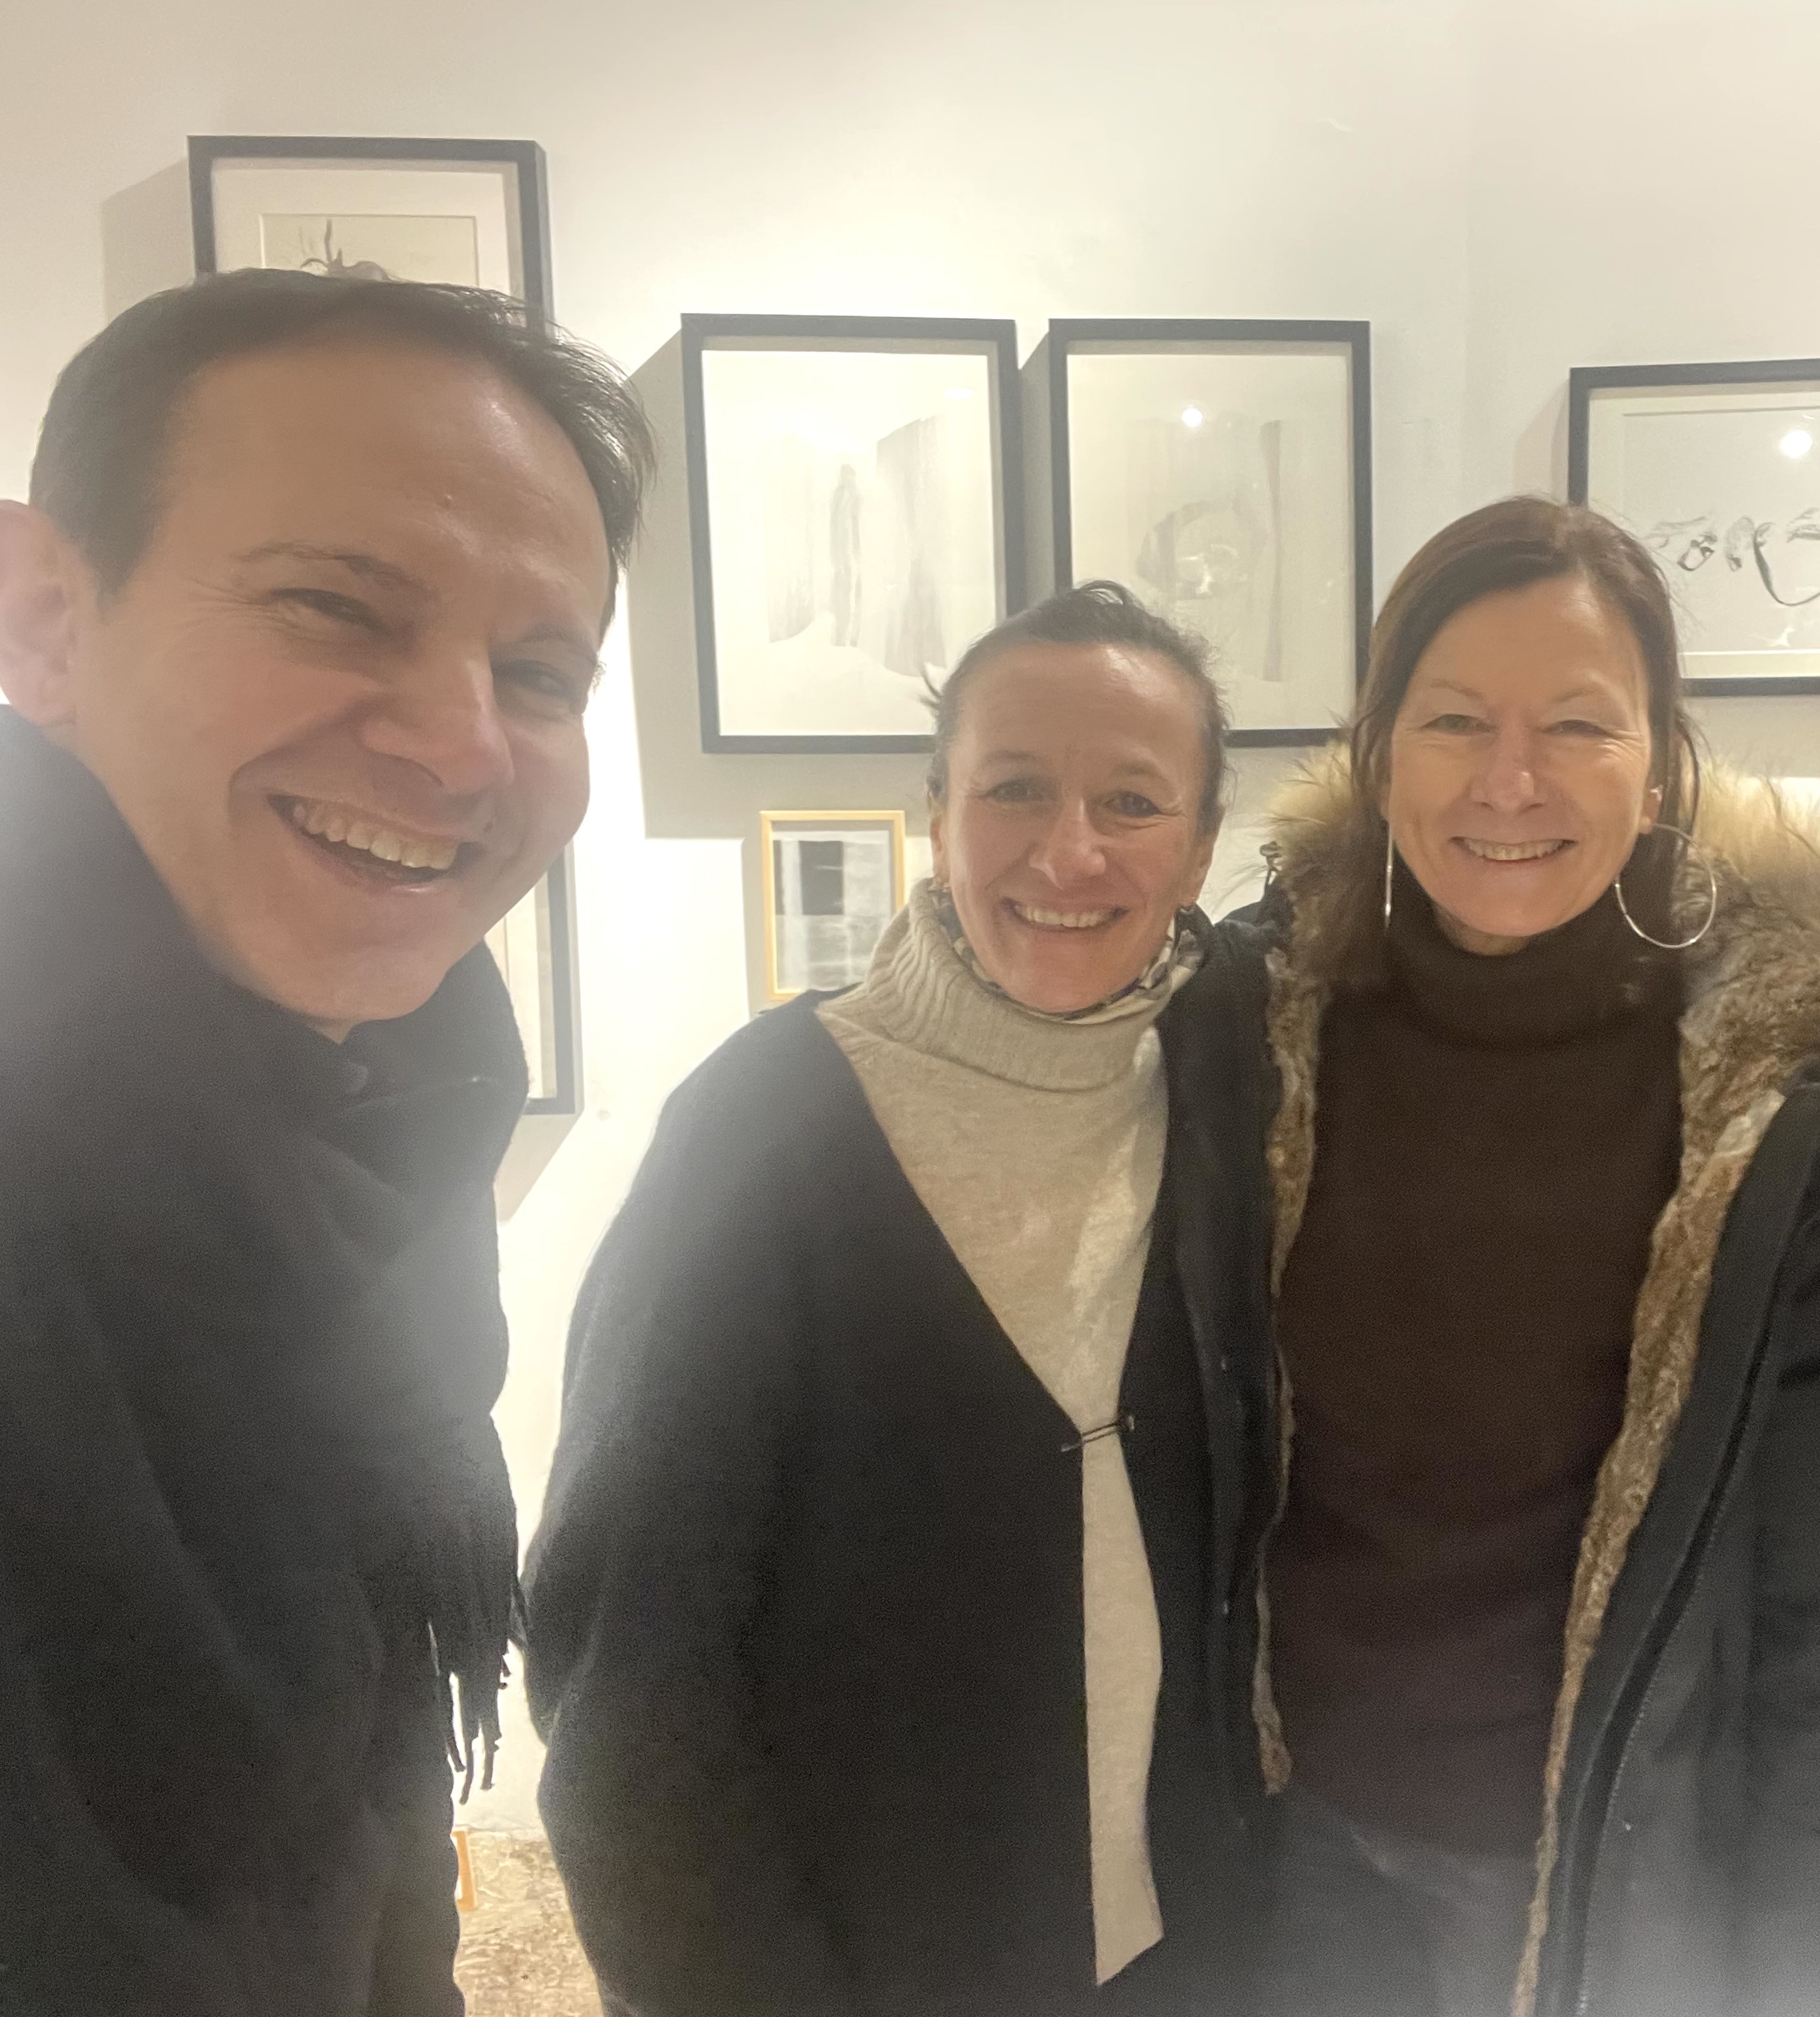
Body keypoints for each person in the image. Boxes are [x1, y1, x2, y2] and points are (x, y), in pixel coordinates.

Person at [0, 269, 651, 2014]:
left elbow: (363, 1780)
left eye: (540, 671)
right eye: (337, 606)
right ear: (45, 617)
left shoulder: (397, 1101)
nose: (461, 745)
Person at [1242, 496, 1820, 2017]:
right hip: (1283, 1839)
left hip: (1612, 1870)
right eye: (1455, 720)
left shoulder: (1782, 1099)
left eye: (1578, 724)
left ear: (1658, 766)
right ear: (1379, 756)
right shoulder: (1257, 1028)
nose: (1510, 779)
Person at [526, 582, 1276, 2016]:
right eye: (1015, 787)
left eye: (1131, 802)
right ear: (938, 813)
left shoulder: (1228, 1096)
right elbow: (627, 1673)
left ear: (1197, 849)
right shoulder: (762, 1129)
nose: (1069, 850)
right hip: (870, 1962)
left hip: (1192, 1948)